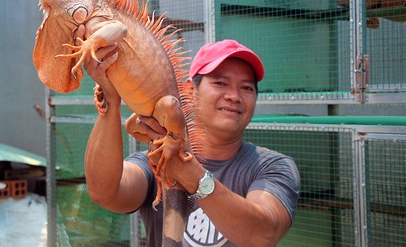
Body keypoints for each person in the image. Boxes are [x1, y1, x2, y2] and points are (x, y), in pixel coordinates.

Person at [84, 39, 300, 246]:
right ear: (189, 91)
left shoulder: (273, 166)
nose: (234, 96)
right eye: (220, 83)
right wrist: (109, 102)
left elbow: (263, 235)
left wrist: (187, 172)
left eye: (246, 88)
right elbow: (105, 193)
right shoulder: (154, 158)